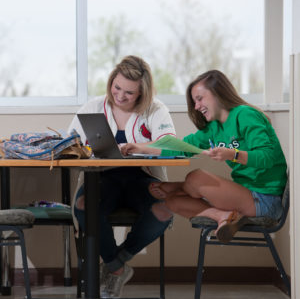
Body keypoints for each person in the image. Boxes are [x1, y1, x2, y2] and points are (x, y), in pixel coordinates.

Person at [121, 69, 287, 244]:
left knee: (196, 177)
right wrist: (140, 147)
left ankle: (183, 186)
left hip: (265, 200)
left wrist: (233, 154)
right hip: (246, 195)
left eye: (199, 99)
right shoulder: (213, 128)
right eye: (194, 102)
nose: (196, 106)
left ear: (218, 94)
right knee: (173, 201)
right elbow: (179, 147)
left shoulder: (245, 114)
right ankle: (223, 216)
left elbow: (267, 157)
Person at [68, 55, 176, 298]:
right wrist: (84, 149)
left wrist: (141, 147)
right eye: (117, 87)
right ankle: (118, 271)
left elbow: (171, 146)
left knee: (164, 211)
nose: (120, 95)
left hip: (142, 179)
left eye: (129, 92)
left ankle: (114, 264)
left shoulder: (156, 110)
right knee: (84, 206)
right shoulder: (93, 107)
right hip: (102, 180)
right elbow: (70, 143)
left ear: (142, 93)